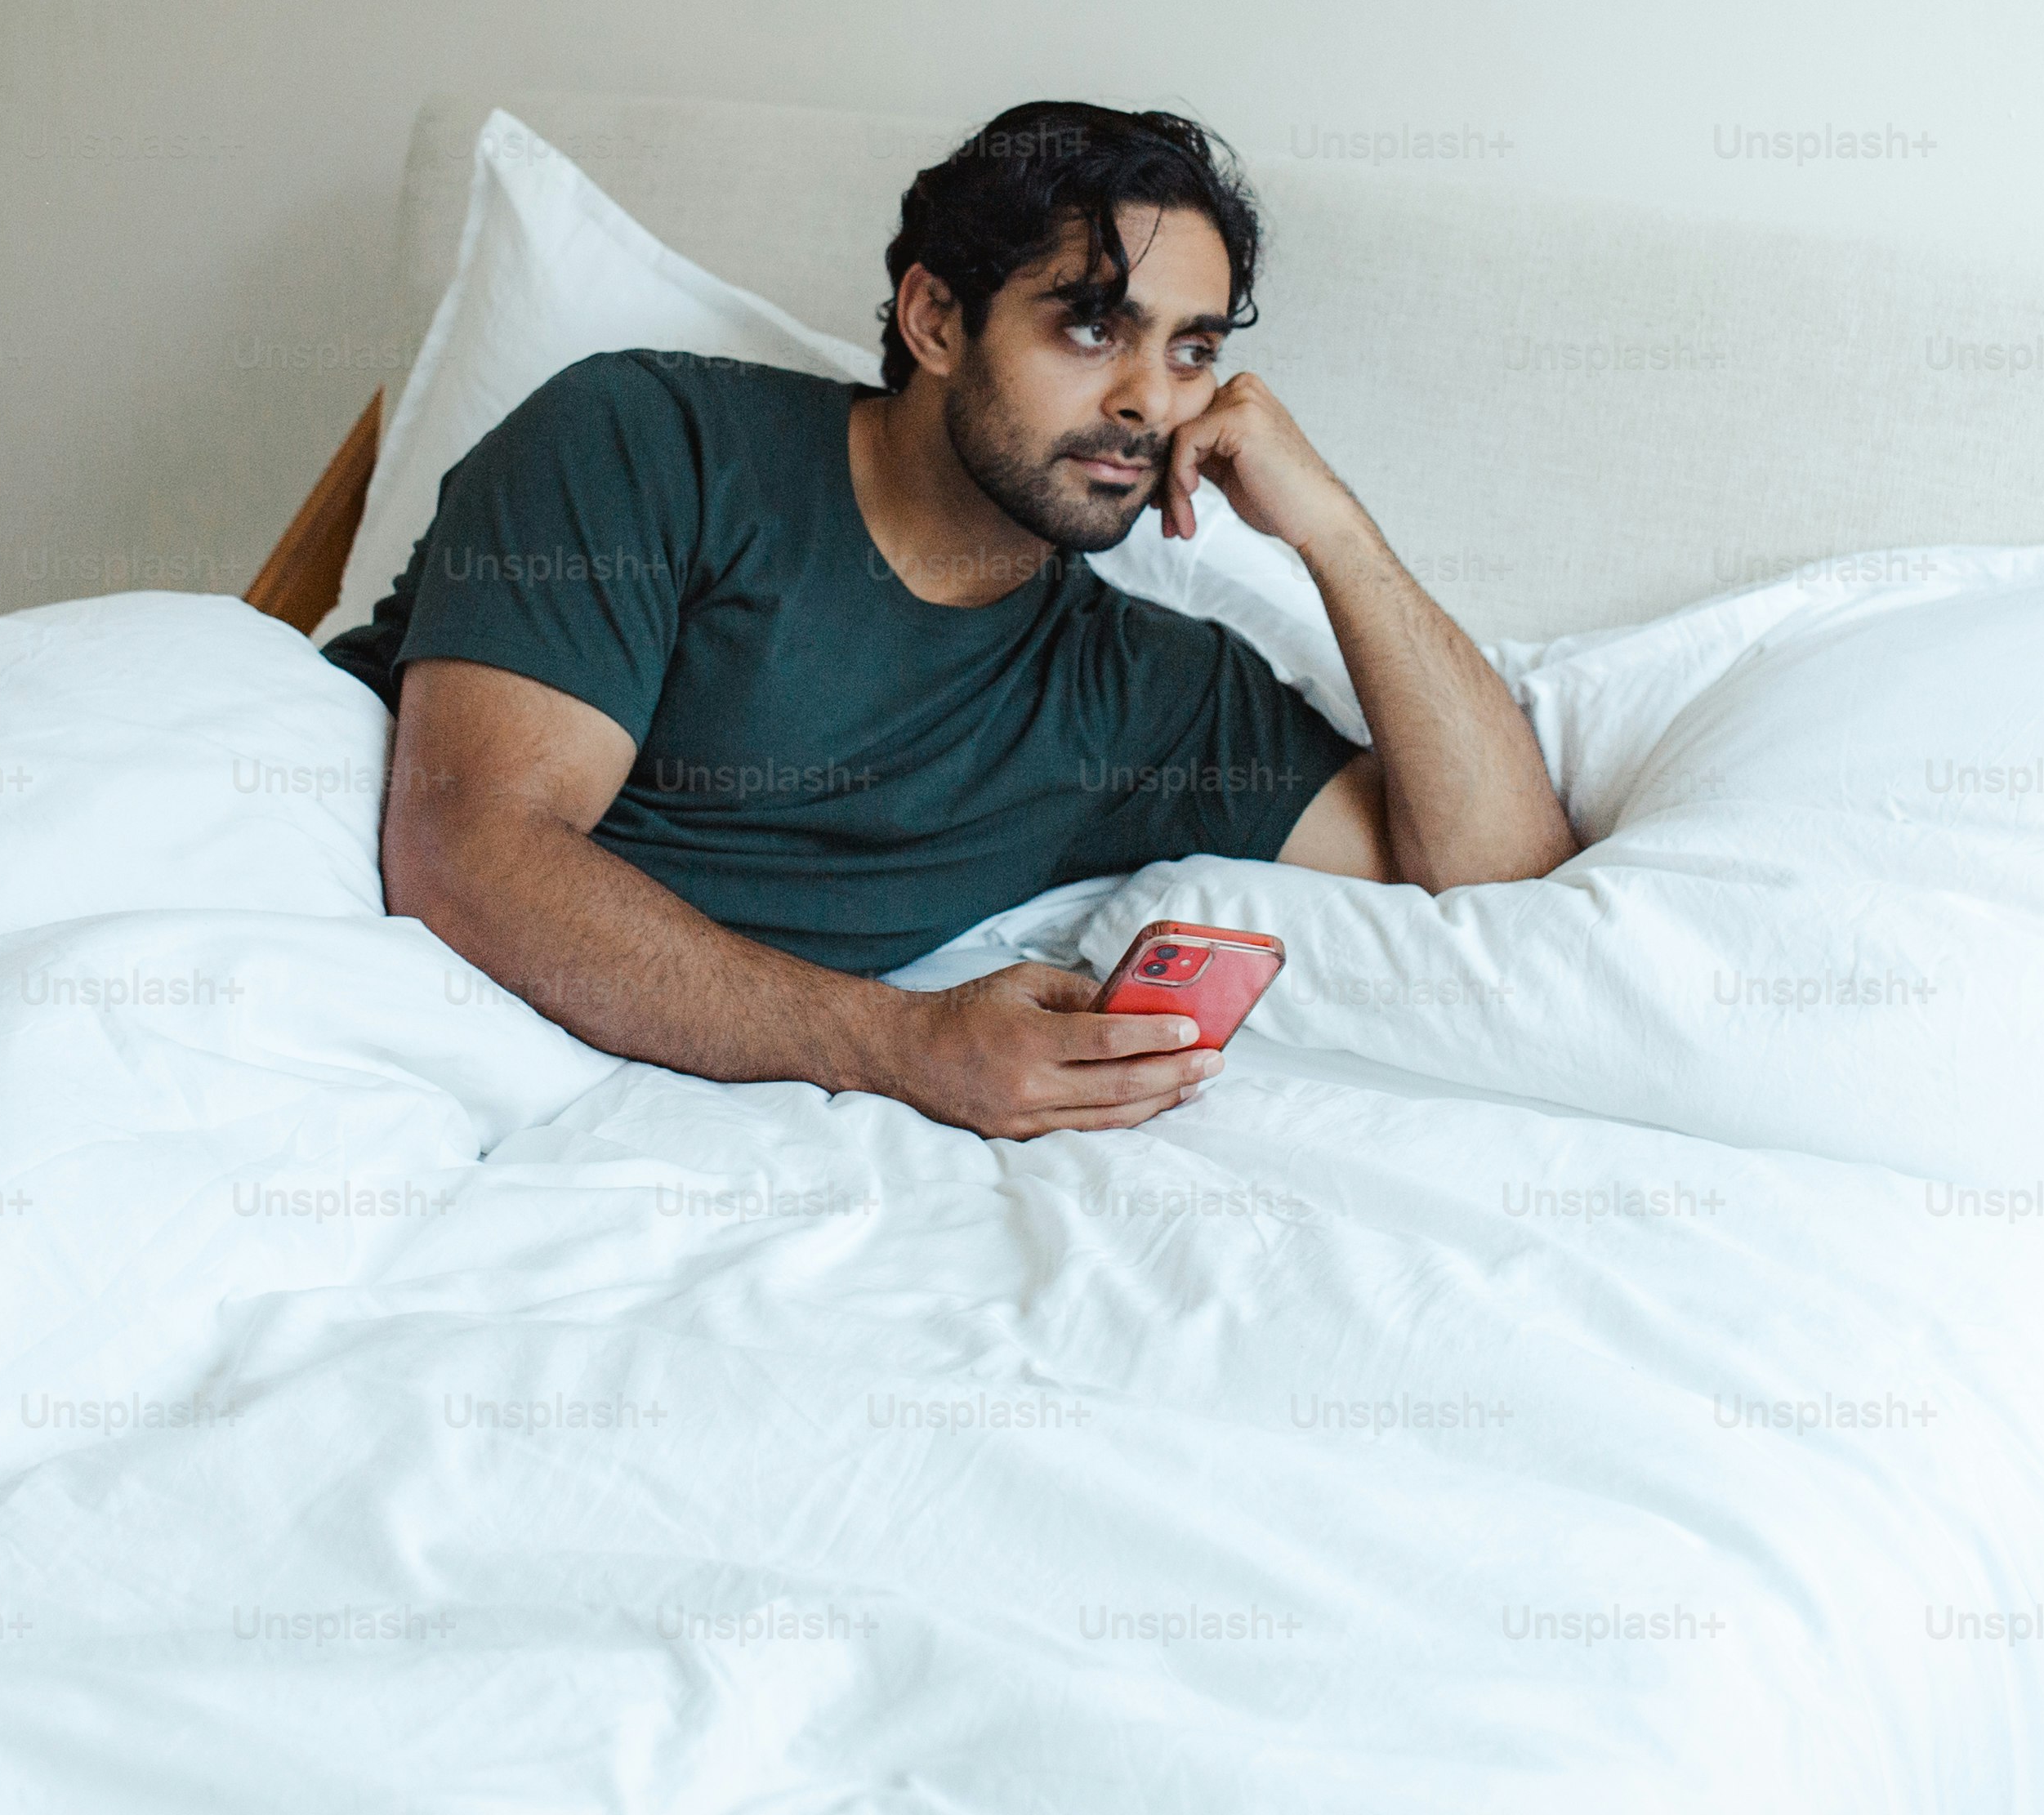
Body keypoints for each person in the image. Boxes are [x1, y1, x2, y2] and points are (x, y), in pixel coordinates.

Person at [322, 102, 1574, 1138]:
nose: (1149, 400)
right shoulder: (649, 445)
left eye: (1192, 352)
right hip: (361, 1034)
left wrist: (1335, 534)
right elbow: (467, 853)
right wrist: (909, 1045)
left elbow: (1502, 874)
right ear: (933, 319)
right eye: (1093, 324)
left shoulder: (1142, 695)